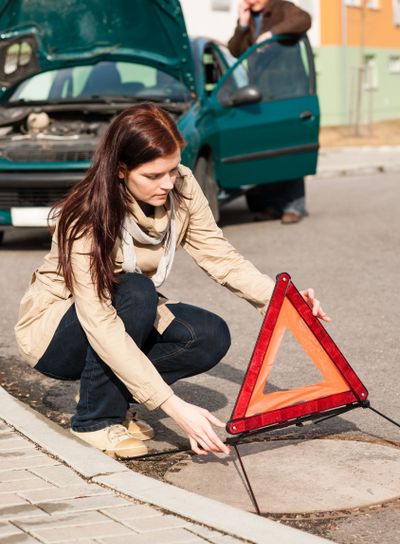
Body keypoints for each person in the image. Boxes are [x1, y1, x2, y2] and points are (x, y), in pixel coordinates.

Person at [15, 103, 329, 459]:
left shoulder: (181, 186)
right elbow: (99, 321)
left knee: (207, 335)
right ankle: (95, 419)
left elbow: (220, 257)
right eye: (153, 176)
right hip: (58, 331)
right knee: (135, 289)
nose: (167, 183)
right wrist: (173, 406)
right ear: (121, 170)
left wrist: (282, 300)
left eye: (172, 170)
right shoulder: (86, 215)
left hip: (123, 310)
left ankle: (102, 390)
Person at [228, 0, 312, 224]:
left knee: (289, 150)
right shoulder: (250, 18)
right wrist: (242, 24)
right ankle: (272, 206)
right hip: (261, 96)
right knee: (267, 150)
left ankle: (294, 206)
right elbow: (235, 51)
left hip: (288, 93)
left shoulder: (281, 7)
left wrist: (271, 34)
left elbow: (304, 20)